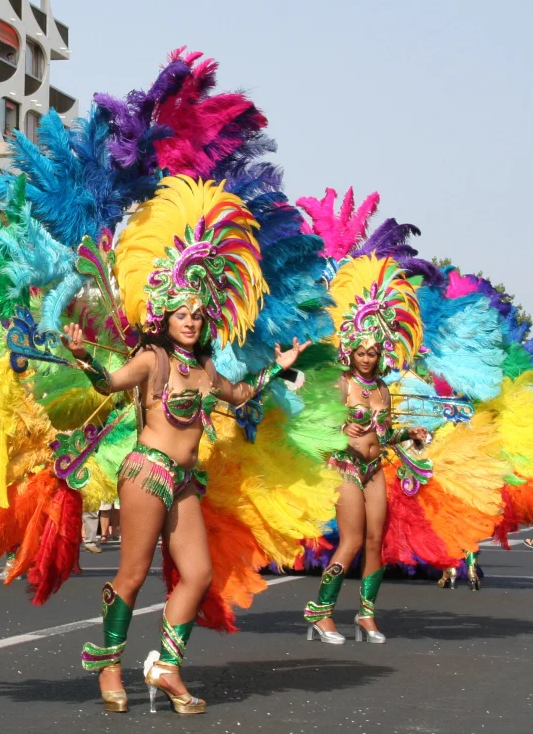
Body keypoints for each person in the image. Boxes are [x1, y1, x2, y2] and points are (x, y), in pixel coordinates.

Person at [65, 178, 307, 714]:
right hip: (148, 472)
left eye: (198, 314)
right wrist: (84, 357)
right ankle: (109, 666)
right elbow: (110, 382)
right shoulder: (153, 362)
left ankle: (166, 667)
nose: (192, 321)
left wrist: (276, 370)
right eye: (182, 313)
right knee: (131, 574)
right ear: (165, 316)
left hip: (185, 482)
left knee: (197, 575)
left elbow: (241, 396)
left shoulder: (206, 369)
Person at [304, 256, 428, 645]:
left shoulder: (383, 391)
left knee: (377, 541)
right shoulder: (341, 385)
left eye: (373, 353)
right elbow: (315, 427)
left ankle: (366, 615)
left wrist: (409, 434)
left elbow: (382, 436)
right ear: (351, 351)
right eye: (361, 352)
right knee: (352, 540)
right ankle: (320, 612)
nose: (367, 358)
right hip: (345, 467)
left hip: (375, 468)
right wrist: (341, 427)